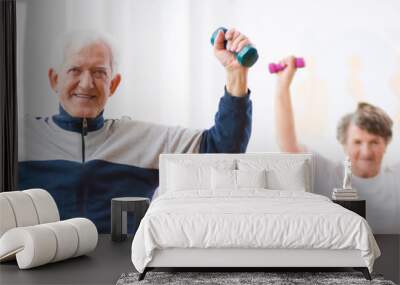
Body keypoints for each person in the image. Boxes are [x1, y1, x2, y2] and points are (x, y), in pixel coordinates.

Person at [18, 29, 254, 233]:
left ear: (113, 83)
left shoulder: (146, 139)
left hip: (125, 271)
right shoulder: (19, 137)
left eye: (99, 72)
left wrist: (236, 73)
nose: (87, 83)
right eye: (74, 70)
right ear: (54, 79)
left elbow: (223, 150)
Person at [273, 56, 400, 234]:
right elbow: (288, 145)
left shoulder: (396, 180)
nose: (366, 152)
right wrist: (282, 86)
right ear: (344, 144)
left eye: (374, 142)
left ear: (386, 144)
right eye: (357, 142)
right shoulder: (327, 174)